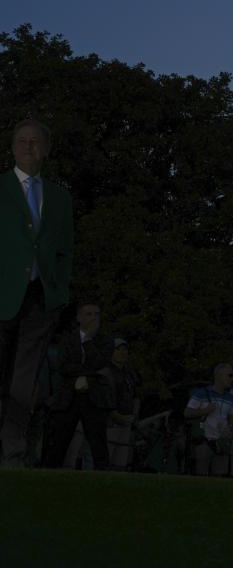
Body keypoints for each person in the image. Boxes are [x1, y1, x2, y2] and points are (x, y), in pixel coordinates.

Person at [0, 120, 74, 467]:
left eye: (35, 142)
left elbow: (64, 251)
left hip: (41, 300)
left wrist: (58, 290)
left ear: (46, 149)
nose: (28, 147)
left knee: (24, 380)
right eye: (21, 141)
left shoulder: (60, 198)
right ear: (12, 147)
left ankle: (12, 452)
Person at [43, 302, 115, 470]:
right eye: (89, 314)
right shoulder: (68, 338)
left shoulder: (106, 339)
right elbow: (62, 366)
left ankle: (104, 478)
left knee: (98, 442)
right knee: (59, 440)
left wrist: (88, 342)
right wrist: (93, 372)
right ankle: (49, 474)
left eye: (96, 314)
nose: (94, 318)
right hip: (68, 397)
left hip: (94, 398)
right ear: (79, 317)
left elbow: (100, 362)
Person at [184, 363, 233, 476]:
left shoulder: (230, 398)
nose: (232, 379)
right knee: (201, 475)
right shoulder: (202, 393)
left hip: (222, 442)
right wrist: (205, 411)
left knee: (220, 475)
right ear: (218, 376)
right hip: (204, 442)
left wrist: (230, 432)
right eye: (230, 375)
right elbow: (187, 413)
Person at [104, 337, 141, 470]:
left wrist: (133, 416)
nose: (122, 352)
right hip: (110, 424)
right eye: (118, 349)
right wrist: (118, 416)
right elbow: (104, 400)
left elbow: (136, 396)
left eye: (125, 349)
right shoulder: (106, 372)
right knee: (105, 460)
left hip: (127, 424)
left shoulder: (129, 373)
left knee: (121, 463)